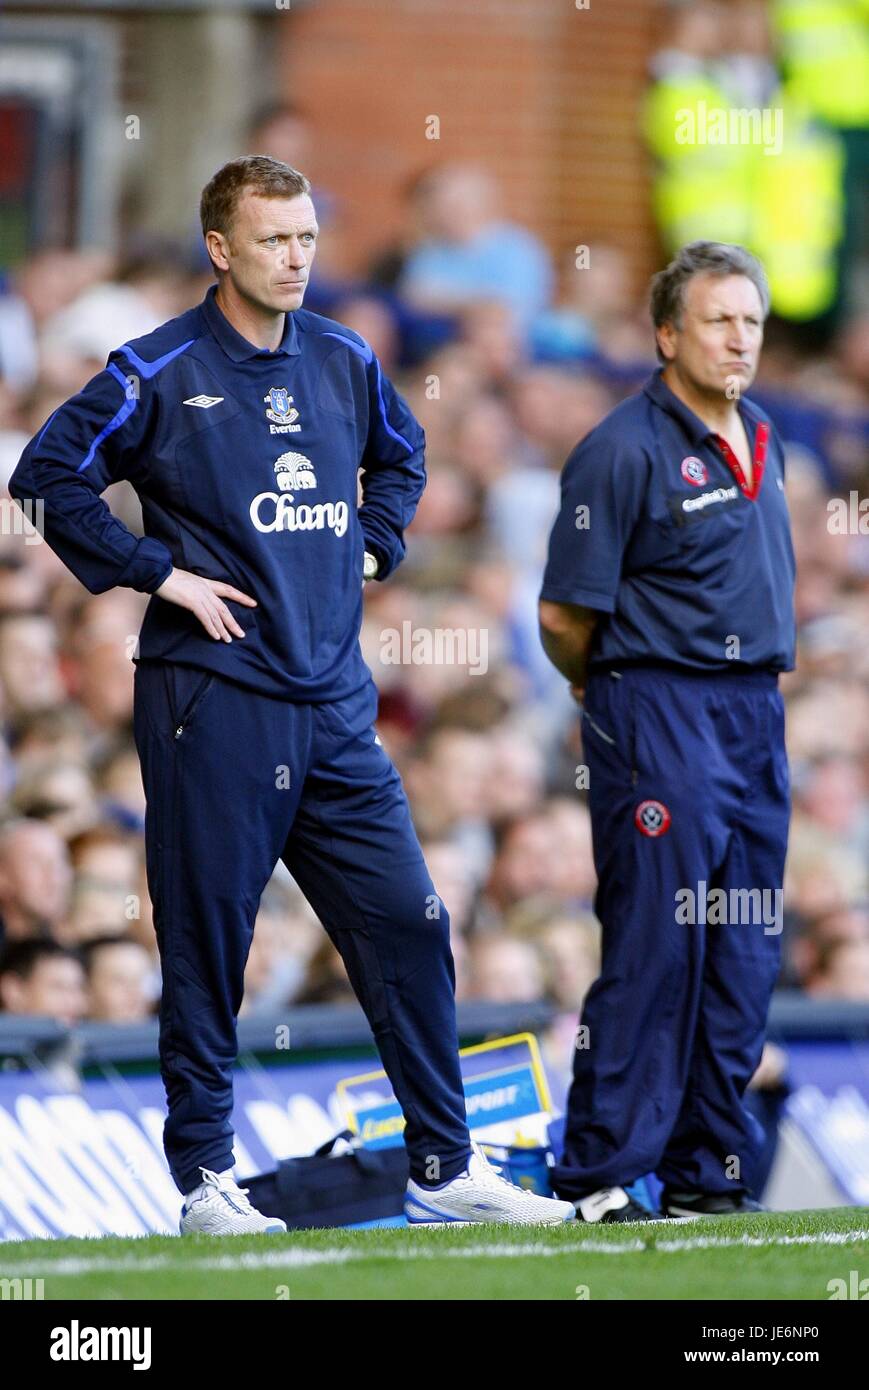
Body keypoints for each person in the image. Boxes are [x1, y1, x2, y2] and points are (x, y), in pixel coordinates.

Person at [9, 155, 573, 1235]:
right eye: (274, 239)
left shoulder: (344, 356)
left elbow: (400, 464)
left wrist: (370, 548)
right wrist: (154, 573)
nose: (297, 257)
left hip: (335, 703)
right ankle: (207, 1181)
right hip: (212, 694)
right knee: (209, 935)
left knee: (409, 917)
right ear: (219, 247)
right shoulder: (157, 364)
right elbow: (46, 472)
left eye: (307, 237)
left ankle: (444, 1164)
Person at [538, 241, 795, 1222]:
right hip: (657, 707)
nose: (738, 338)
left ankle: (705, 1172)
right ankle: (602, 1174)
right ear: (665, 334)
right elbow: (563, 616)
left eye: (750, 321)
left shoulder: (761, 431)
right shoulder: (620, 448)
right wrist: (608, 697)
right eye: (717, 319)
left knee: (740, 952)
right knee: (655, 943)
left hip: (751, 715)